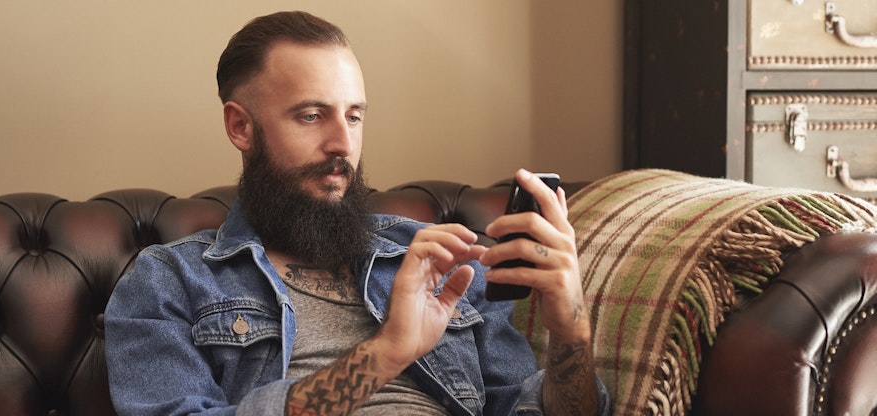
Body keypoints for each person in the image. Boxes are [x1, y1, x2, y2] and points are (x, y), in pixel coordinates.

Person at [105, 10, 609, 416]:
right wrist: (387, 352)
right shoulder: (169, 280)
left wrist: (571, 333)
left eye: (354, 115)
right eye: (311, 115)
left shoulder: (443, 258)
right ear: (241, 127)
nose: (343, 144)